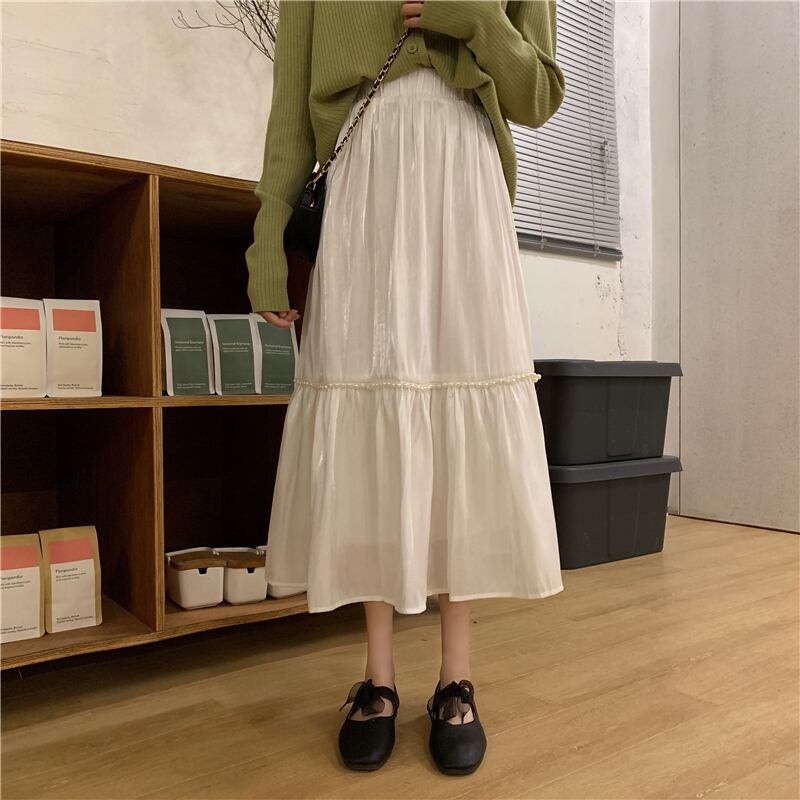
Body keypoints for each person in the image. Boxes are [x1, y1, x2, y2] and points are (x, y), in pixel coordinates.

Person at [245, 0, 566, 775]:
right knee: (370, 409)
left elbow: (538, 95)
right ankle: (378, 677)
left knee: (457, 401)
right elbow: (292, 109)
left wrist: (476, 17)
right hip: (365, 183)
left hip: (464, 178)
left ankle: (456, 676)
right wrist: (267, 235)